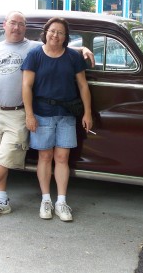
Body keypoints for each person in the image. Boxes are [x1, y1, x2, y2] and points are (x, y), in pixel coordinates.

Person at [0, 11, 94, 218]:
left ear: (26, 28)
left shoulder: (33, 47)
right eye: (13, 23)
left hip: (19, 112)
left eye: (21, 24)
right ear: (4, 25)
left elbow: (58, 46)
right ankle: (1, 199)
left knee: (7, 157)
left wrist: (83, 48)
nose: (16, 27)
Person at [21, 17, 93, 222]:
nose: (55, 35)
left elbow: (83, 86)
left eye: (60, 32)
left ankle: (61, 201)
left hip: (66, 115)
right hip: (41, 113)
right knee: (45, 157)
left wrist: (87, 112)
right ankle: (46, 200)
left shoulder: (72, 56)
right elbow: (26, 86)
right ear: (46, 32)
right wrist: (29, 114)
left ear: (65, 37)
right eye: (52, 31)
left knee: (62, 158)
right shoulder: (35, 55)